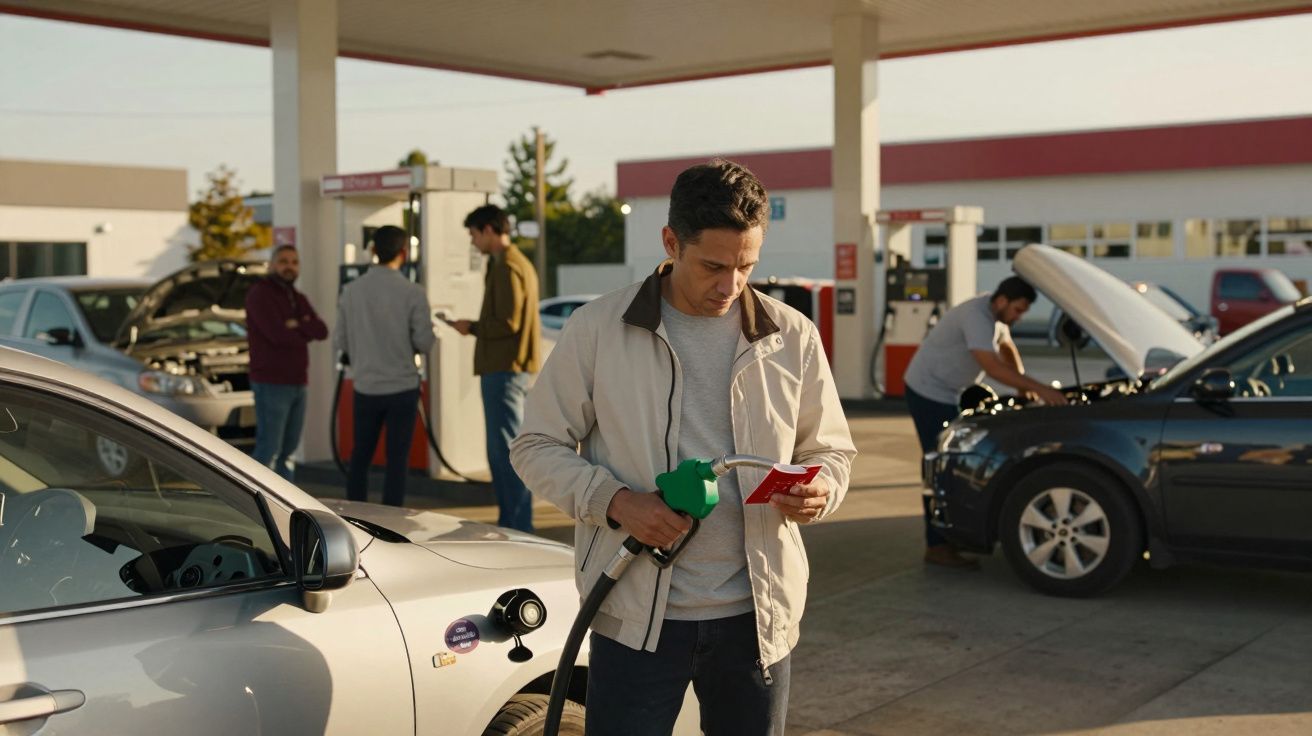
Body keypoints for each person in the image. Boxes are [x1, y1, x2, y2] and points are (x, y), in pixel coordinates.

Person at [510, 160, 856, 736]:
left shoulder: (790, 335)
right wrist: (617, 502)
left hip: (756, 621)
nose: (730, 285)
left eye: (746, 266)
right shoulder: (599, 329)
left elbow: (831, 450)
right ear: (671, 242)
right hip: (635, 615)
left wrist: (822, 488)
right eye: (713, 266)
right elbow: (535, 444)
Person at [903, 275, 1068, 569]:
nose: (1019, 317)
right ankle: (937, 546)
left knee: (949, 462)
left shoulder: (996, 317)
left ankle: (950, 535)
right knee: (939, 466)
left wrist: (1023, 390)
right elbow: (991, 366)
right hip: (928, 391)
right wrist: (1041, 389)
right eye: (1017, 310)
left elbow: (1006, 348)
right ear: (1002, 301)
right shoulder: (976, 316)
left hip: (949, 391)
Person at [445, 204, 540, 533]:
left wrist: (470, 327)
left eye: (474, 234)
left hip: (503, 369)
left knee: (506, 454)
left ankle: (516, 527)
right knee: (506, 453)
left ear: (488, 230)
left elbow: (508, 322)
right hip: (507, 368)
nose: (473, 242)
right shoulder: (514, 264)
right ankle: (513, 524)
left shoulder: (507, 266)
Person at [333, 225, 435, 507]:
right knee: (397, 459)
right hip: (402, 387)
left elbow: (340, 339)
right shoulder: (413, 292)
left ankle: (354, 514)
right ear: (404, 253)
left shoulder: (351, 291)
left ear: (373, 250)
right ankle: (393, 517)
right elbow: (424, 342)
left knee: (360, 455)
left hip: (366, 386)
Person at [244, 244, 328, 482]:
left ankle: (284, 501)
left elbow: (321, 330)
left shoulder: (297, 298)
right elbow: (278, 335)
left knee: (289, 453)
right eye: (283, 261)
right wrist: (303, 326)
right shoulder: (259, 295)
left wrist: (296, 324)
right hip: (271, 382)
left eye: (294, 262)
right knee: (268, 450)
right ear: (271, 265)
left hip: (298, 382)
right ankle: (253, 497)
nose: (289, 267)